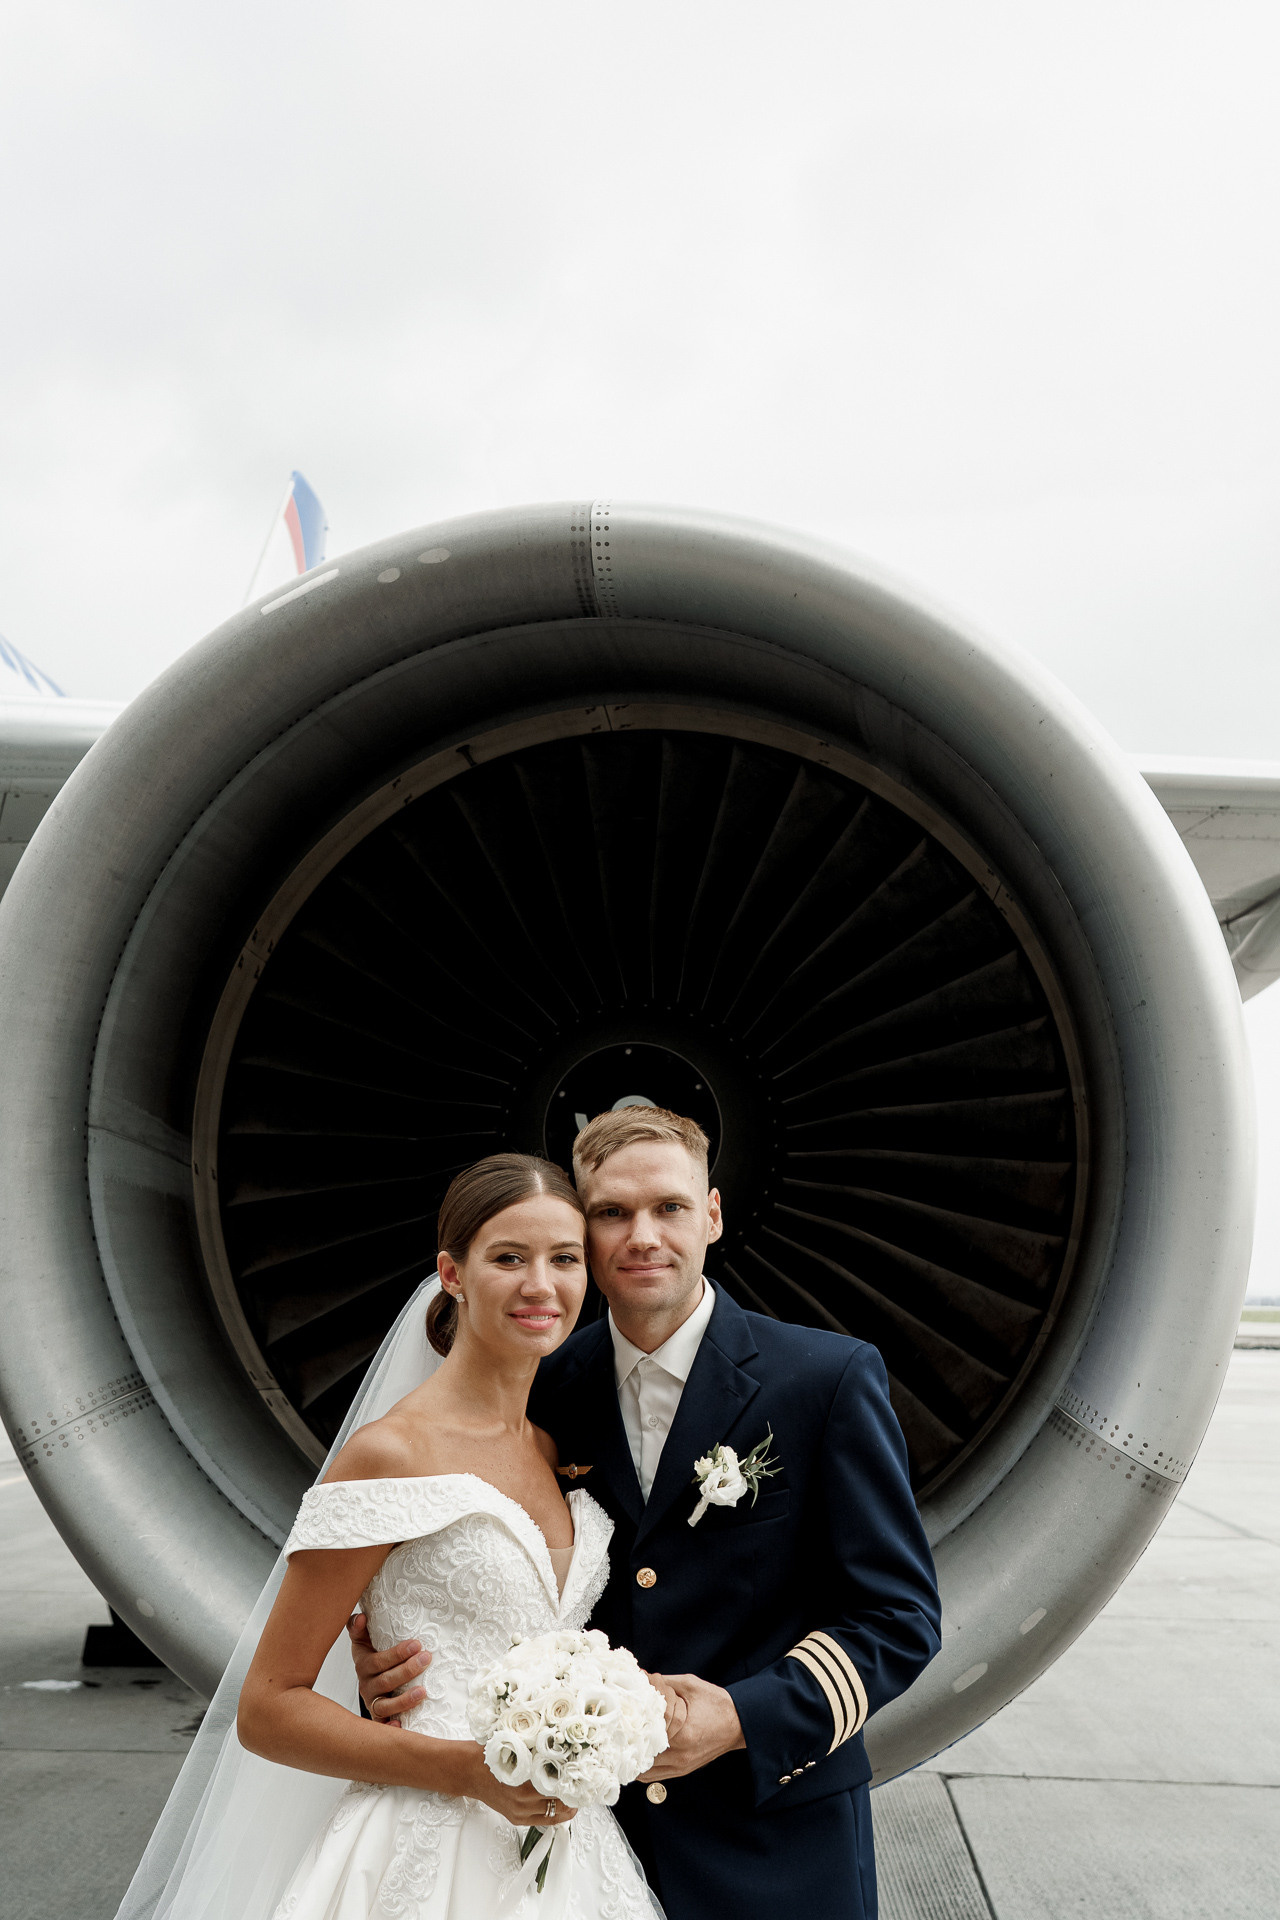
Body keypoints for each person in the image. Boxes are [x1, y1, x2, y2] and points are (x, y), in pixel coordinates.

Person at [354, 1108, 942, 1920]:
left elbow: (899, 1617)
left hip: (777, 1842)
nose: (642, 1237)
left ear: (713, 1214)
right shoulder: (544, 1391)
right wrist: (394, 1664)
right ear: (584, 1232)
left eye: (669, 1207)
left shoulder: (825, 1380)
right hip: (583, 1844)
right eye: (612, 1213)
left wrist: (739, 1717)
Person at [118, 1153, 665, 1920]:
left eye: (564, 1259)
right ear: (452, 1273)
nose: (541, 1285)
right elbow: (269, 1709)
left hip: (572, 1851)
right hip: (422, 1844)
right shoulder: (389, 1454)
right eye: (509, 1258)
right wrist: (466, 1770)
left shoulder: (555, 1447)